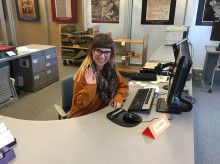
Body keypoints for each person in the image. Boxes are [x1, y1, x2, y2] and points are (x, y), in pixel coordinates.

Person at [70, 33, 129, 118]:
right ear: (92, 51)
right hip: (83, 117)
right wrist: (90, 87)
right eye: (98, 51)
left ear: (111, 53)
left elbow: (123, 86)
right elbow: (79, 104)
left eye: (107, 52)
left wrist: (118, 97)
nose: (102, 56)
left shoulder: (110, 68)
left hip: (101, 113)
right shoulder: (85, 72)